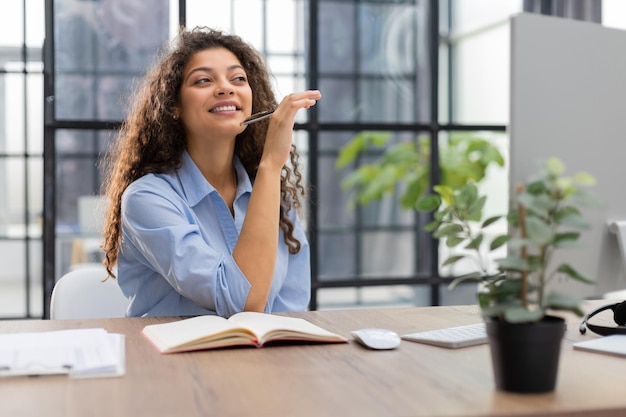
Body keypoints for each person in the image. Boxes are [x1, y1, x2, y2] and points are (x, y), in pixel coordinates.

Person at [100, 26, 320, 317]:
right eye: (203, 80)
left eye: (238, 78)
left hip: (264, 359)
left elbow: (291, 307)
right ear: (174, 106)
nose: (225, 88)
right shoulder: (146, 198)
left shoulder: (273, 195)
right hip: (173, 359)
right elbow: (239, 302)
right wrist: (270, 165)